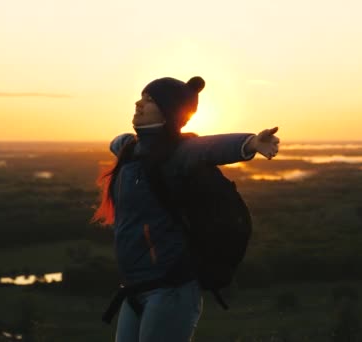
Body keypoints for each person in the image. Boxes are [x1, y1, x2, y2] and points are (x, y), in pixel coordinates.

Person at [93, 76, 280, 342]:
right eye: (141, 97)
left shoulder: (177, 153)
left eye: (150, 100)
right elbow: (118, 141)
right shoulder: (131, 151)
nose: (139, 103)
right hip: (133, 288)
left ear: (169, 111)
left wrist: (251, 143)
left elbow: (211, 148)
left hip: (171, 290)